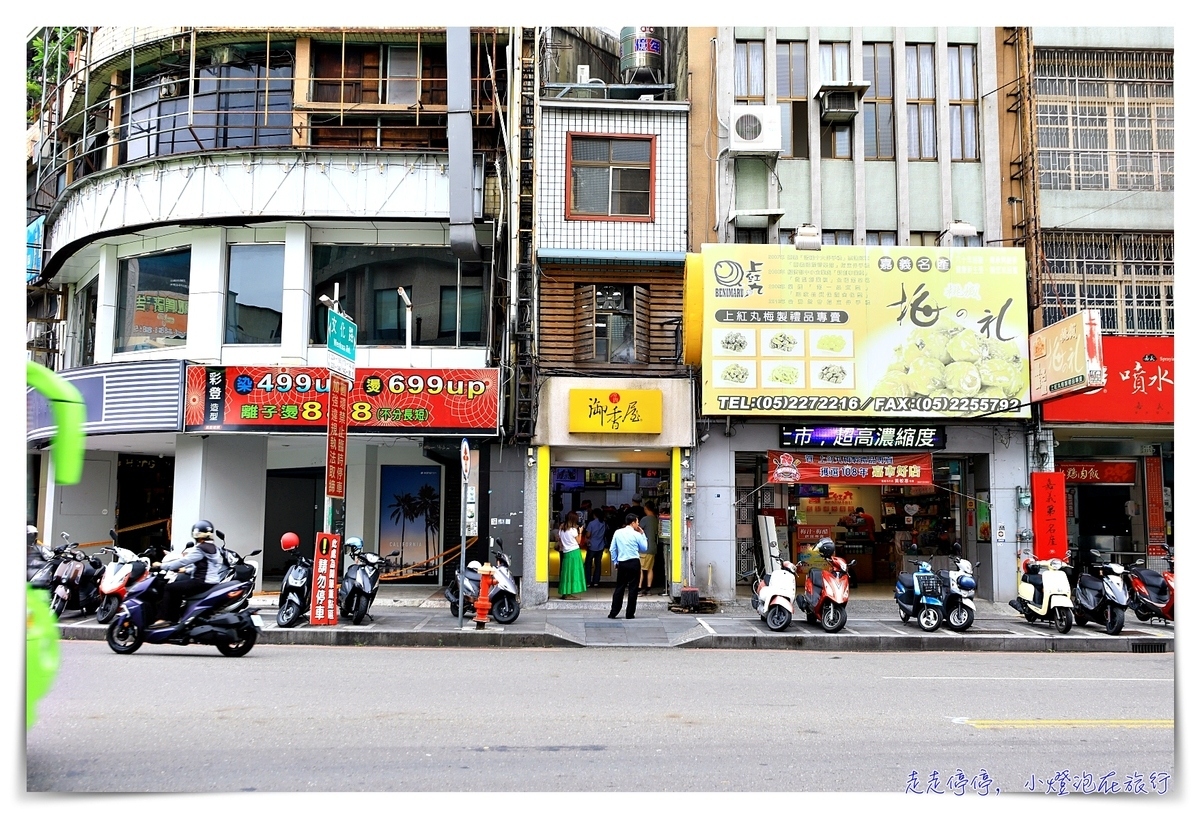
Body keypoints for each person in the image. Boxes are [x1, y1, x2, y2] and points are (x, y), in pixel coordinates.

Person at [153, 520, 229, 627]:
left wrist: (161, 565)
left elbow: (183, 561)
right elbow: (206, 566)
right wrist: (185, 570)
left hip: (201, 582)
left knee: (169, 588)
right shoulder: (215, 548)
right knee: (177, 589)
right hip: (212, 582)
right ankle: (175, 618)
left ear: (197, 535)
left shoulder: (200, 548)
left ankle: (163, 619)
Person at [608, 513, 647, 619]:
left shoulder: (618, 532)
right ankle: (629, 614)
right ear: (633, 522)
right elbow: (644, 548)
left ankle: (613, 612)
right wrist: (643, 534)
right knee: (633, 588)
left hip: (622, 563)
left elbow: (612, 549)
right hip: (634, 562)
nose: (638, 524)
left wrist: (615, 561)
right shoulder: (637, 535)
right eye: (637, 522)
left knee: (619, 587)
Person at [557, 511, 587, 600]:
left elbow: (560, 541)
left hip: (566, 553)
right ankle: (569, 593)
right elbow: (578, 541)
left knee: (566, 573)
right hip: (574, 552)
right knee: (574, 572)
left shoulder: (561, 529)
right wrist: (580, 532)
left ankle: (565, 592)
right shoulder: (573, 530)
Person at [638, 499, 659, 595]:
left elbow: (638, 531)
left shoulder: (645, 519)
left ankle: (639, 589)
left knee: (641, 569)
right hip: (653, 547)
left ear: (646, 508)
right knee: (650, 568)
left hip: (644, 548)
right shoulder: (656, 519)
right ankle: (649, 589)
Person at [583, 508, 608, 588]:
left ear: (594, 515)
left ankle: (588, 582)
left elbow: (588, 535)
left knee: (588, 564)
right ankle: (596, 582)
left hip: (591, 546)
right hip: (600, 546)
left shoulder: (591, 523)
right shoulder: (603, 523)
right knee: (598, 565)